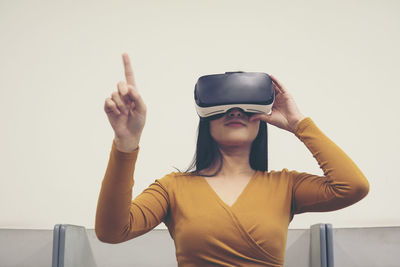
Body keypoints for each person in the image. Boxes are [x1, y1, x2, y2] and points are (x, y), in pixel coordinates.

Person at [95, 53, 370, 266]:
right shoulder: (172, 188)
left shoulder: (286, 187)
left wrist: (298, 123)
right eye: (224, 106)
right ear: (206, 119)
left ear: (261, 120)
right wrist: (126, 143)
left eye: (244, 107)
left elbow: (352, 186)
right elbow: (112, 232)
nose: (235, 111)